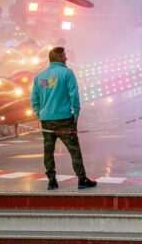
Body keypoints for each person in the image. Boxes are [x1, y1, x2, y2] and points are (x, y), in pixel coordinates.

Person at [30, 47, 97, 190]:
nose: (66, 58)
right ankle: (82, 179)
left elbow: (34, 100)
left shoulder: (39, 77)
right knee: (74, 149)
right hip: (65, 119)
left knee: (48, 151)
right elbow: (74, 94)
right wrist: (76, 113)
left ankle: (51, 181)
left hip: (46, 120)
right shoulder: (67, 73)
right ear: (59, 57)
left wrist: (40, 114)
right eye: (64, 56)